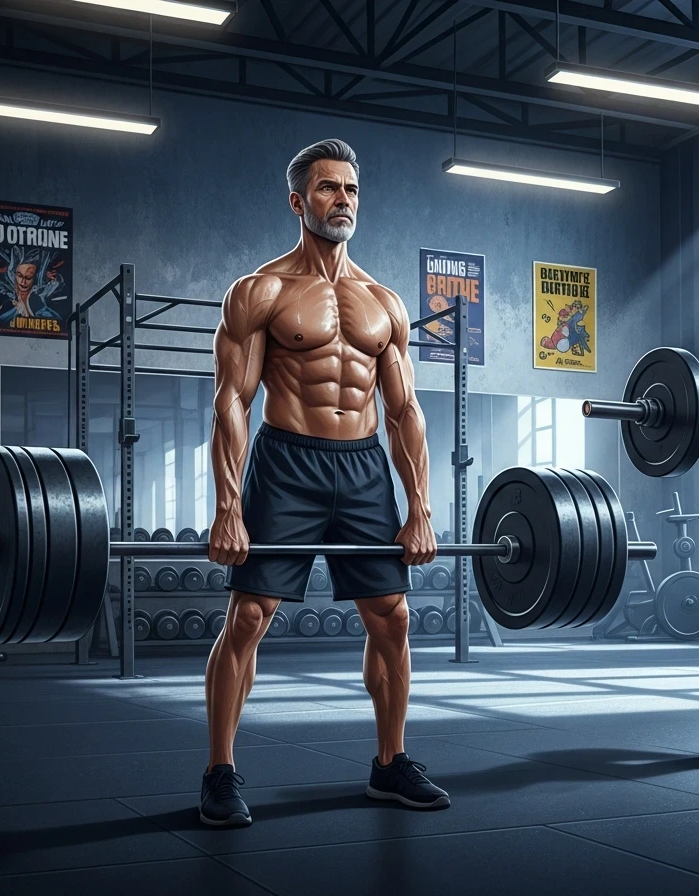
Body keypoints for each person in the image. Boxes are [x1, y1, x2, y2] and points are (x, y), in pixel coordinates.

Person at [201, 139, 449, 826]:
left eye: (351, 189)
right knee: (249, 617)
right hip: (288, 465)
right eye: (327, 188)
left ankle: (390, 763)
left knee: (393, 618)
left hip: (364, 467)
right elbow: (231, 402)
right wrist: (228, 505)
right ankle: (220, 772)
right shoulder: (261, 291)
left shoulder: (385, 303)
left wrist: (420, 507)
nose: (342, 199)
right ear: (297, 200)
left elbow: (403, 412)